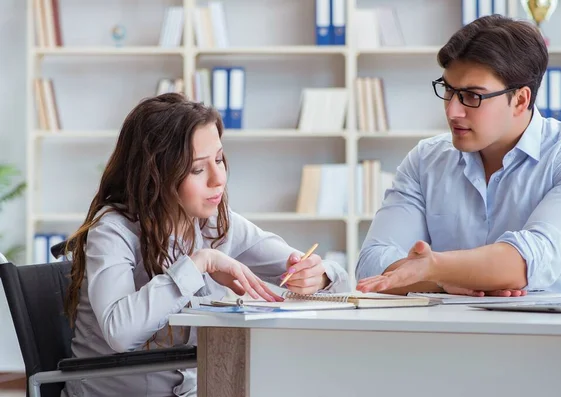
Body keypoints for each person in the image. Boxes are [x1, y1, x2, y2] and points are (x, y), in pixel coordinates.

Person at [60, 93, 350, 397]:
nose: (218, 179)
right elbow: (120, 333)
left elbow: (322, 275)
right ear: (155, 174)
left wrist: (320, 275)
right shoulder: (113, 230)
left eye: (219, 159)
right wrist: (199, 264)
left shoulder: (217, 224)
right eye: (198, 169)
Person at [355, 15, 561, 297]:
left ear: (520, 99)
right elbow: (372, 265)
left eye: (473, 96)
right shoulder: (425, 160)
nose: (452, 111)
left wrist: (433, 266)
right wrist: (442, 282)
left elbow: (526, 262)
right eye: (449, 90)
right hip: (445, 334)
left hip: (549, 336)